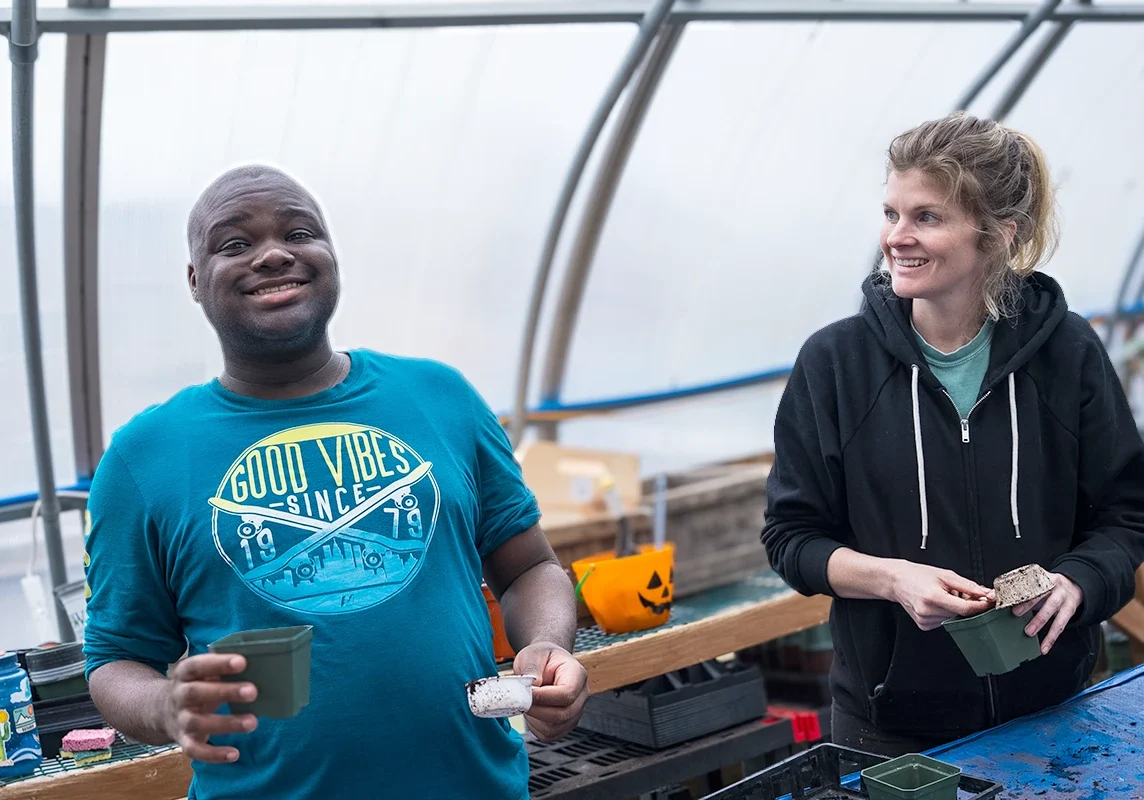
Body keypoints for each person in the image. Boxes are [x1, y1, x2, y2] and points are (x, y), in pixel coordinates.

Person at [82, 165, 589, 799]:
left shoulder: (441, 398)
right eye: (234, 244)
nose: (273, 254)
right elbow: (114, 661)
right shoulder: (144, 457)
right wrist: (165, 707)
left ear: (331, 258)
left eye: (300, 232)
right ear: (194, 280)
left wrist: (547, 647)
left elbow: (528, 568)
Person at [762, 112, 1144, 756]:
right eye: (891, 213)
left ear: (997, 235)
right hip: (892, 731)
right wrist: (892, 579)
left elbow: (1128, 513)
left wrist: (1080, 579)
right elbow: (792, 538)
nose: (896, 238)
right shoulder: (835, 365)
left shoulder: (1067, 352)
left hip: (1054, 711)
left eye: (927, 217)